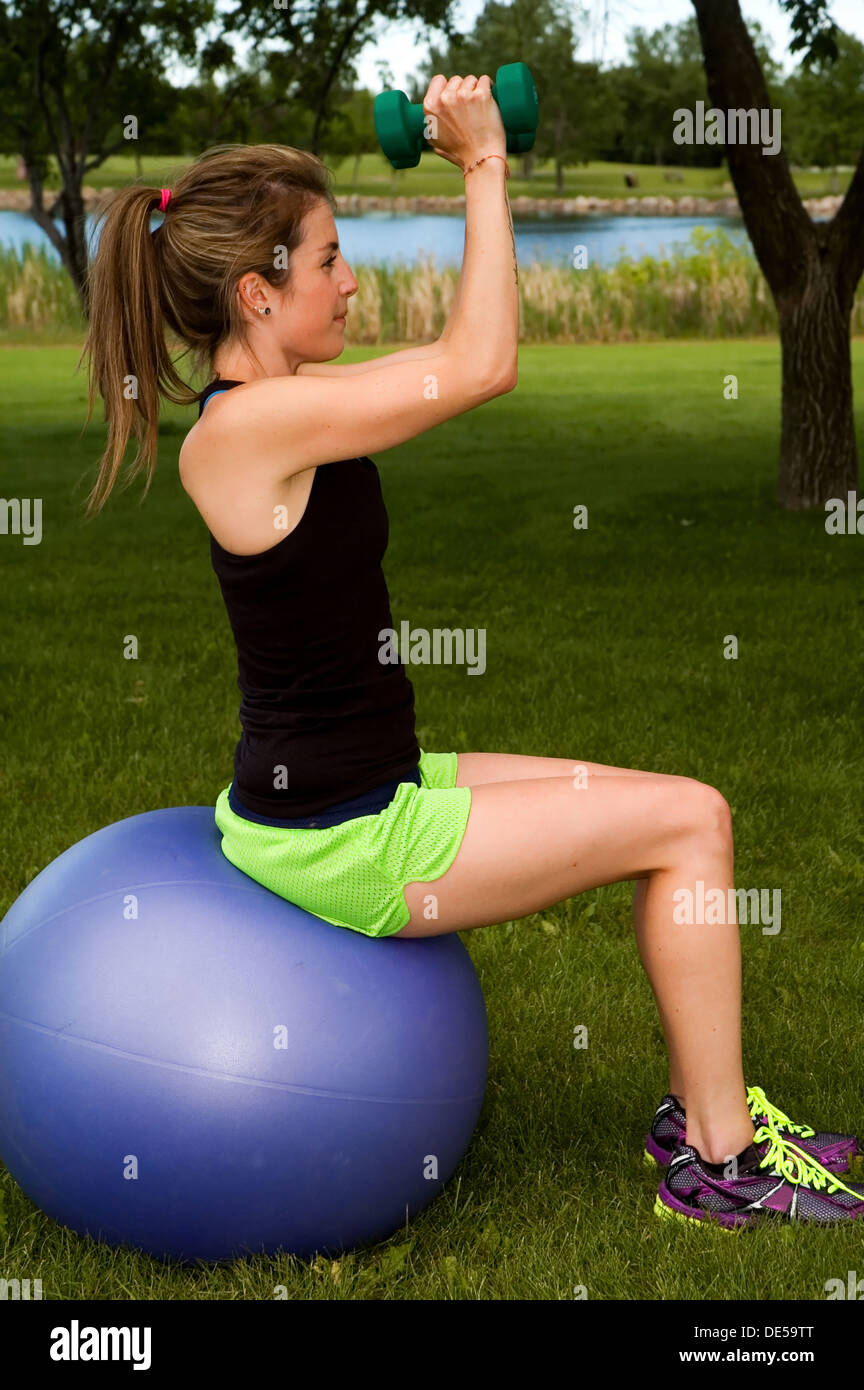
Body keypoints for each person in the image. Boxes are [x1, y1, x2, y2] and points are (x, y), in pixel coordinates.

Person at [80, 74, 863, 1228]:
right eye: (331, 258)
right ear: (258, 290)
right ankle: (714, 1160)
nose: (352, 280)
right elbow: (483, 361)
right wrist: (482, 165)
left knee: (671, 808)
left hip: (354, 784)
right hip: (350, 832)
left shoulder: (284, 402)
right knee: (691, 820)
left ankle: (711, 1117)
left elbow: (455, 354)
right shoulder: (251, 430)